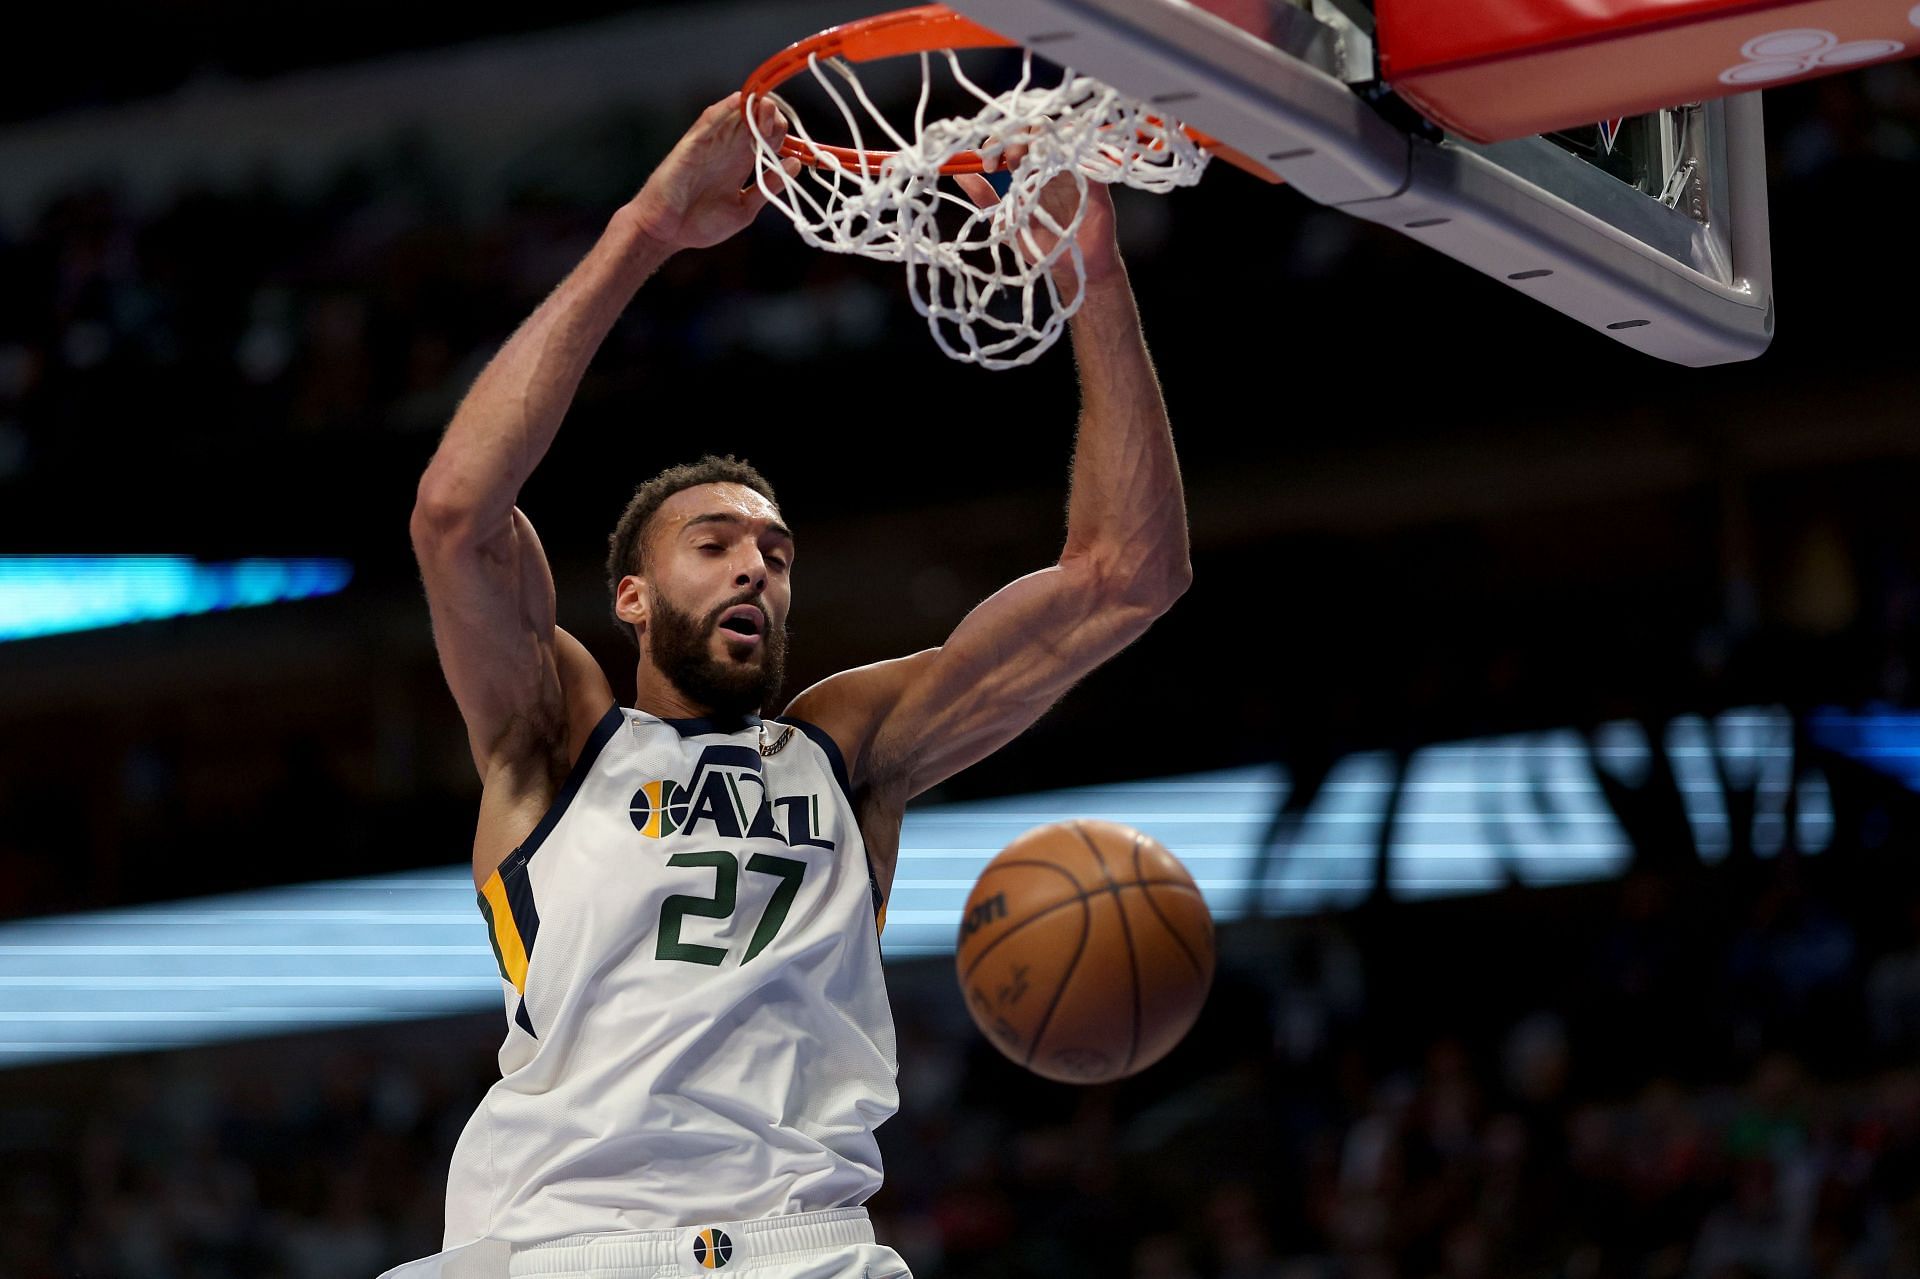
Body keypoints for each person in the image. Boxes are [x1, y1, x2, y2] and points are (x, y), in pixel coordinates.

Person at [381, 93, 1191, 1279]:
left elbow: (1131, 573)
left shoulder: (849, 748)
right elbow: (455, 514)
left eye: (773, 550)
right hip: (562, 1241)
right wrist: (647, 229)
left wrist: (1095, 282)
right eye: (712, 542)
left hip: (799, 1247)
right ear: (634, 598)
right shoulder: (553, 733)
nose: (755, 560)